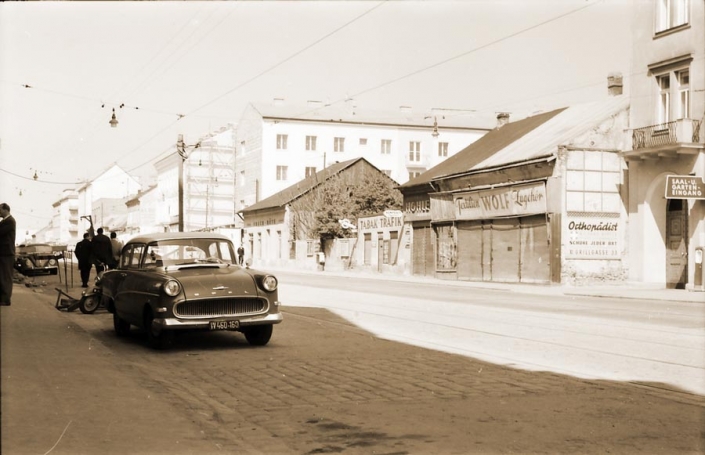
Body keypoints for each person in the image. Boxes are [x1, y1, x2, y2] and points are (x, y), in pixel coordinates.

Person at [0, 203, 16, 306]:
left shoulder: (10, 221)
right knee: (2, 276)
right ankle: (3, 298)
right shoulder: (6, 221)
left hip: (6, 253)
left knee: (5, 276)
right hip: (4, 253)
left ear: (5, 210)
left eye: (0, 210)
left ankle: (6, 299)